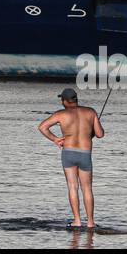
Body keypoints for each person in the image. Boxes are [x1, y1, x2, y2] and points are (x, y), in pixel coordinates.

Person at [38, 87, 105, 228]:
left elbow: (42, 127)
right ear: (75, 99)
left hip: (68, 152)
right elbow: (99, 134)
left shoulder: (60, 114)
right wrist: (91, 128)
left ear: (64, 101)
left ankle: (77, 221)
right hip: (85, 154)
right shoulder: (90, 112)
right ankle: (91, 223)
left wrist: (55, 139)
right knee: (87, 188)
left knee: (72, 187)